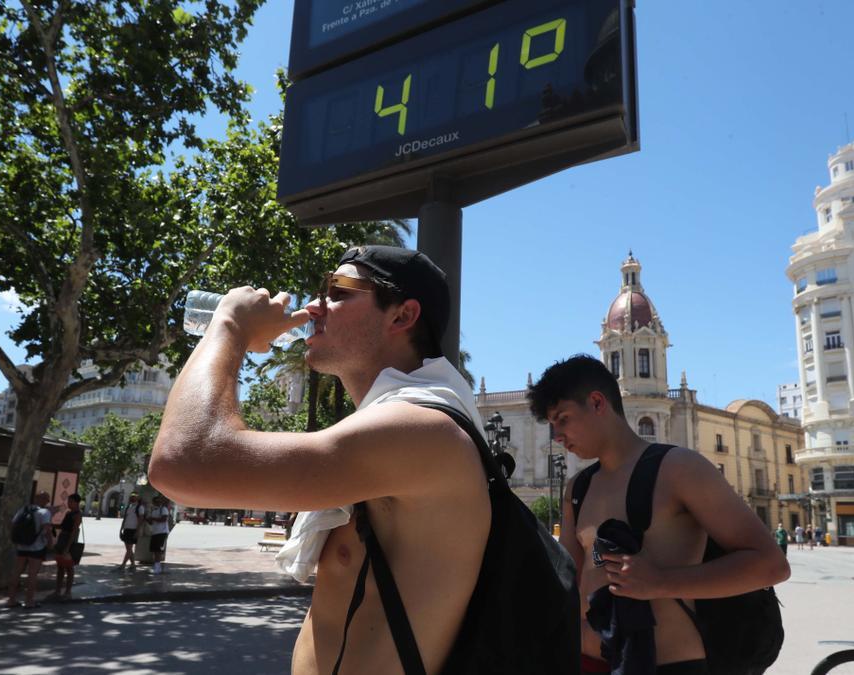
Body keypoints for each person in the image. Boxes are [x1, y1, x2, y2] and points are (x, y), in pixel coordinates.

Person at [150, 245, 493, 674]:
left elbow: (182, 461)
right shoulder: (391, 426)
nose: (314, 306)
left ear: (402, 316)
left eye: (338, 291)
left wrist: (229, 324)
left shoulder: (424, 430)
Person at [529, 355, 790, 674]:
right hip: (587, 661)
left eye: (563, 418)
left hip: (666, 665)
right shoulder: (578, 489)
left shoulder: (679, 469)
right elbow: (569, 581)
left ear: (597, 403)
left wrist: (661, 582)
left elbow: (770, 564)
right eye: (552, 424)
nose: (556, 436)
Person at [6, 490, 54, 609]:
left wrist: (14, 540)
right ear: (43, 500)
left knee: (16, 572)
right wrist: (51, 544)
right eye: (47, 499)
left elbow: (12, 525)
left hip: (22, 546)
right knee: (32, 574)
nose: (48, 502)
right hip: (36, 548)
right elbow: (47, 530)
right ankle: (29, 601)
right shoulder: (44, 512)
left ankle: (11, 600)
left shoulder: (23, 509)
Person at [49, 493, 83, 600]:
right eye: (68, 501)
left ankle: (68, 592)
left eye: (71, 501)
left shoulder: (77, 515)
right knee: (60, 567)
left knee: (69, 568)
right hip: (62, 540)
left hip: (69, 543)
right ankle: (58, 590)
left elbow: (74, 532)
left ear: (77, 503)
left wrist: (68, 547)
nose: (68, 503)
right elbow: (63, 526)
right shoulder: (69, 513)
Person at [119, 492, 145, 570]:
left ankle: (123, 565)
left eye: (134, 497)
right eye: (131, 497)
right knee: (128, 549)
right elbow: (125, 518)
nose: (132, 498)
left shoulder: (140, 507)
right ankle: (133, 564)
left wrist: (137, 530)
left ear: (137, 498)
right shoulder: (128, 507)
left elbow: (141, 519)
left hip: (133, 530)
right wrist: (121, 529)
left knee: (129, 549)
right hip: (126, 529)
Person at [146, 494, 171, 575]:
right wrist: (147, 519)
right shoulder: (154, 510)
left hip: (162, 532)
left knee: (158, 551)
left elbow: (164, 519)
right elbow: (151, 523)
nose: (156, 502)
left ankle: (157, 568)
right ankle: (157, 567)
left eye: (158, 501)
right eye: (155, 501)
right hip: (155, 532)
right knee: (154, 550)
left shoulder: (163, 509)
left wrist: (152, 518)